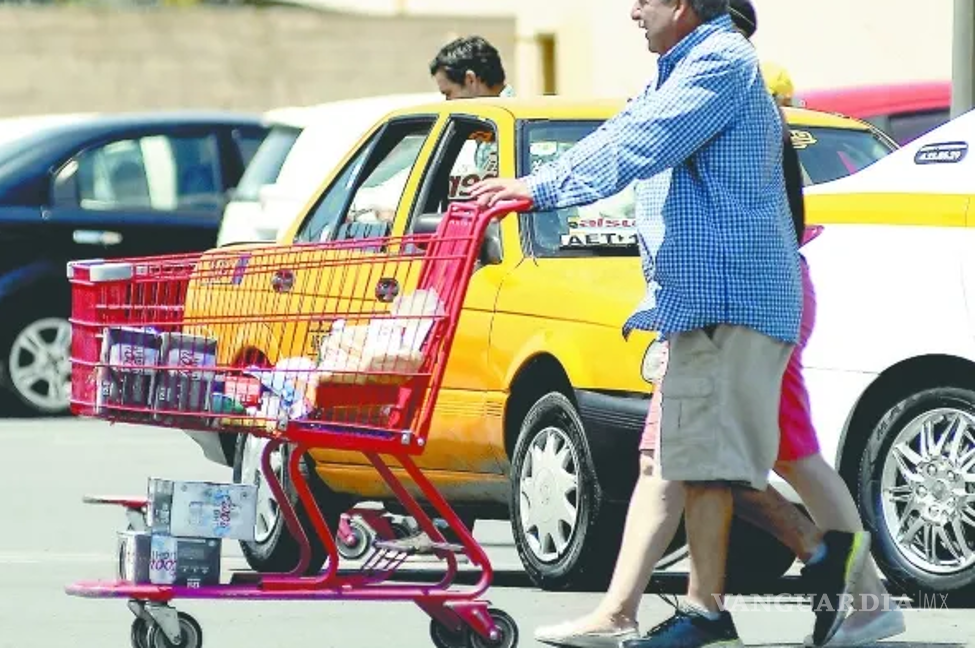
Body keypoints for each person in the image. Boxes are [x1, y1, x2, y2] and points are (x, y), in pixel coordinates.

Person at [470, 2, 866, 647]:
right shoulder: (678, 68)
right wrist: (538, 181)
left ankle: (807, 579)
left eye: (646, 0)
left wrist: (540, 189)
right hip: (702, 303)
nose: (633, 11)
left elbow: (640, 140)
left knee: (710, 464)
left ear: (682, 4)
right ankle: (712, 606)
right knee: (694, 461)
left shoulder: (718, 63)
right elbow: (623, 127)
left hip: (731, 299)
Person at [348, 35, 513, 224]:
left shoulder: (510, 129)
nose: (448, 103)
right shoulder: (484, 129)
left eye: (448, 93)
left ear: (470, 80)